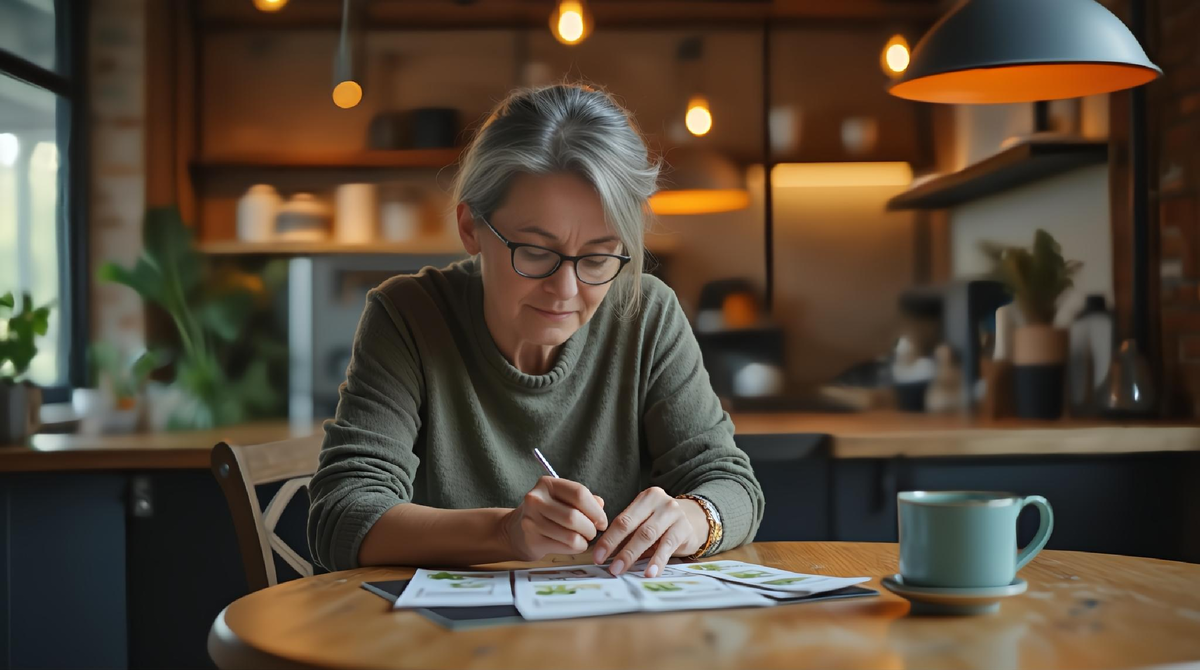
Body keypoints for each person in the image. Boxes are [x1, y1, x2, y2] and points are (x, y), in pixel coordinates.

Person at [308, 83, 764, 580]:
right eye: (535, 252)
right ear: (471, 227)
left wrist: (694, 519)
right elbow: (342, 515)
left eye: (598, 257)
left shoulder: (646, 314)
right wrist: (504, 533)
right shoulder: (409, 317)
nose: (565, 289)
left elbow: (732, 485)